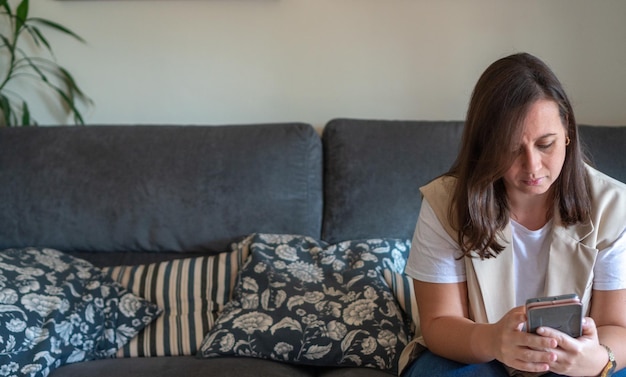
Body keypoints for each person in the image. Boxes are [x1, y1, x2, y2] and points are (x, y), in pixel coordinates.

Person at [399, 52, 626, 377]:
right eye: (511, 148)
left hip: (573, 362)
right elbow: (438, 323)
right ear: (486, 146)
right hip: (477, 354)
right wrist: (494, 340)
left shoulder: (613, 205)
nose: (533, 167)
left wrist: (599, 357)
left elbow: (617, 326)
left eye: (545, 144)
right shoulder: (445, 203)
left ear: (567, 133)